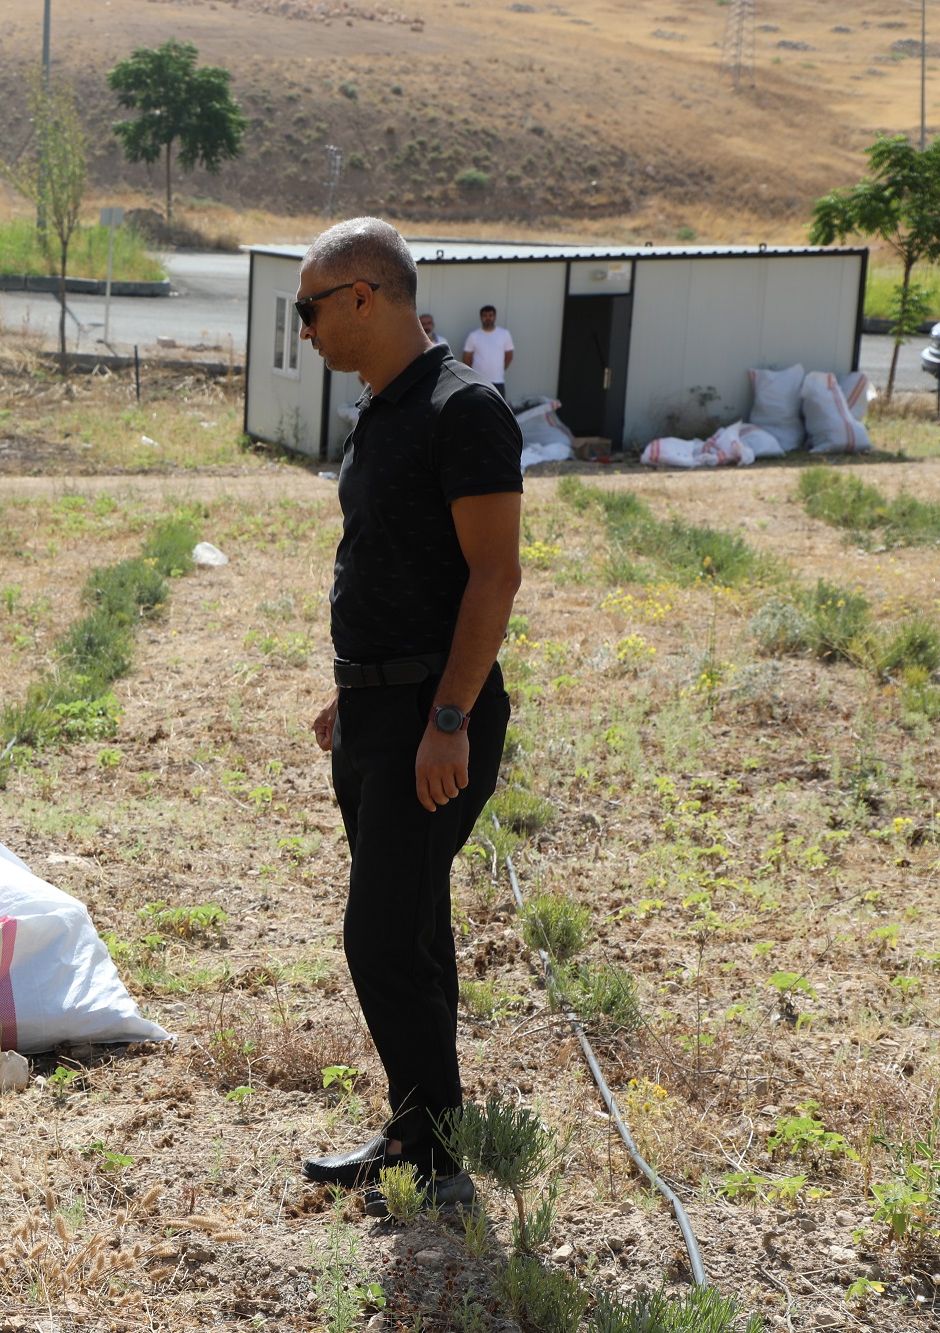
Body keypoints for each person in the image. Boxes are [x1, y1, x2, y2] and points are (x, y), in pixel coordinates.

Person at [291, 218, 522, 1216]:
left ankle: (432, 1157)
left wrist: (446, 717)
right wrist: (352, 693)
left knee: (379, 935)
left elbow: (493, 573)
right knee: (412, 928)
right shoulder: (381, 410)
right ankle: (425, 1135)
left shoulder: (461, 410)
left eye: (307, 308)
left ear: (362, 297)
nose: (301, 328)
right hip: (377, 708)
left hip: (434, 713)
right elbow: (384, 566)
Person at [460, 304, 514, 399]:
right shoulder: (474, 336)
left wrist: (500, 369)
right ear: (481, 318)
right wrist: (474, 375)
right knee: (478, 410)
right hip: (478, 381)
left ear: (495, 317)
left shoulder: (504, 334)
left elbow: (509, 356)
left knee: (499, 411)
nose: (488, 318)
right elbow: (466, 358)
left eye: (490, 315)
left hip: (498, 380)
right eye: (485, 315)